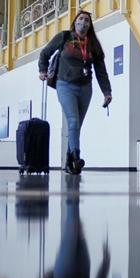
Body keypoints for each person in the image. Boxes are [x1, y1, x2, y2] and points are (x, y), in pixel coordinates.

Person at [39, 10, 112, 174]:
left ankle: (69, 163)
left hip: (86, 88)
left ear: (90, 25)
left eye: (87, 20)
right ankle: (76, 159)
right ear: (75, 21)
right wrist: (42, 70)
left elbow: (101, 71)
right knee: (72, 122)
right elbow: (45, 53)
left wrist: (107, 92)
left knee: (76, 126)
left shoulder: (93, 44)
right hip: (65, 85)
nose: (84, 22)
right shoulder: (64, 37)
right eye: (81, 19)